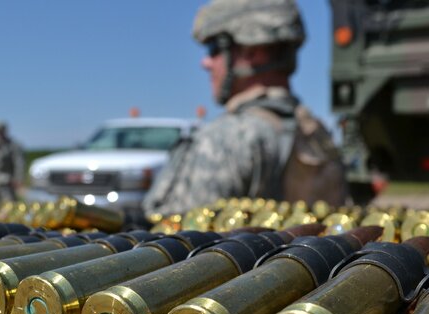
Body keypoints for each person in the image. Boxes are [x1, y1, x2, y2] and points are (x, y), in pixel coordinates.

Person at [142, 0, 347, 217]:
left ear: (252, 52)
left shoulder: (224, 139)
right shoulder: (318, 135)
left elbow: (173, 240)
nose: (206, 63)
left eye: (214, 49)